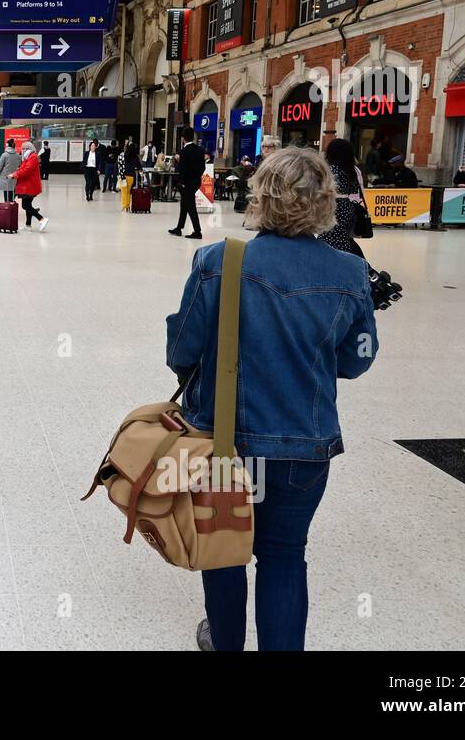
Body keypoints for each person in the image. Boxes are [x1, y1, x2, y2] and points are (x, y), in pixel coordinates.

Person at [166, 147, 378, 651]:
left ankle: (224, 641)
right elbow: (356, 361)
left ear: (260, 196)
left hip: (224, 445)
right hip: (304, 446)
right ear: (325, 202)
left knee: (223, 551)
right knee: (284, 555)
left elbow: (181, 350)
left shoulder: (219, 261)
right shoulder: (349, 273)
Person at [319, 138, 366, 259]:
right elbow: (356, 189)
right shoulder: (352, 170)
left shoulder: (331, 169)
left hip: (333, 207)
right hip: (347, 206)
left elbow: (322, 188)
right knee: (342, 239)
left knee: (329, 239)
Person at [168, 132, 206, 239]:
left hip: (186, 183)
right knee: (184, 204)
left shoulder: (184, 152)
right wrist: (196, 177)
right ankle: (179, 228)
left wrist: (181, 182)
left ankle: (197, 231)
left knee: (190, 206)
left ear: (183, 138)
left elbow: (182, 169)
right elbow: (202, 167)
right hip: (196, 182)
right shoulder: (200, 150)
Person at [9, 141, 49, 231]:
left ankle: (42, 219)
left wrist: (15, 174)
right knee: (28, 204)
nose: (22, 150)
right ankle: (28, 225)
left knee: (25, 205)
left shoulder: (33, 157)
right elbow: (23, 168)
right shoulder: (27, 157)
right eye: (22, 148)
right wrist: (16, 172)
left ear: (29, 149)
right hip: (27, 185)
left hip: (30, 185)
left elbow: (27, 170)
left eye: (24, 148)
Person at [0, 138, 21, 203]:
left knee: (6, 195)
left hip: (5, 179)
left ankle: (7, 210)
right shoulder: (17, 155)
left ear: (7, 146)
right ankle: (12, 208)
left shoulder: (4, 155)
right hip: (14, 178)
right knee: (12, 194)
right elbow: (19, 166)